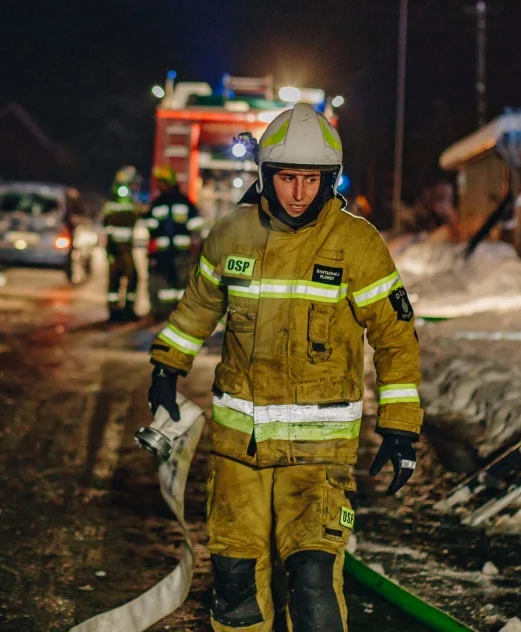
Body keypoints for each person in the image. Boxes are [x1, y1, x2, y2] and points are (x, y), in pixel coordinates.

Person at [146, 103, 424, 631]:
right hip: (237, 455)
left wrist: (400, 426)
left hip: (318, 459)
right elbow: (197, 309)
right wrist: (166, 369)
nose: (298, 192)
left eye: (310, 179)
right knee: (235, 586)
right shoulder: (231, 236)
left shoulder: (357, 245)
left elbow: (395, 338)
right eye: (287, 178)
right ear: (265, 176)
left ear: (330, 180)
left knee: (313, 583)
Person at [143, 164, 204, 319]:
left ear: (168, 182)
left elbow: (196, 228)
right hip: (164, 254)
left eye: (161, 182)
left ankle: (178, 312)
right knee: (165, 286)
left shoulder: (180, 203)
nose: (159, 185)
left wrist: (196, 248)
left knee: (180, 284)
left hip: (181, 254)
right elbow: (149, 227)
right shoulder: (162, 203)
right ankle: (166, 312)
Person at [103, 166, 141, 322]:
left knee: (119, 277)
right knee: (129, 276)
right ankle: (123, 311)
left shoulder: (118, 199)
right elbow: (132, 214)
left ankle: (117, 310)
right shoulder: (123, 199)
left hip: (120, 247)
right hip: (119, 247)